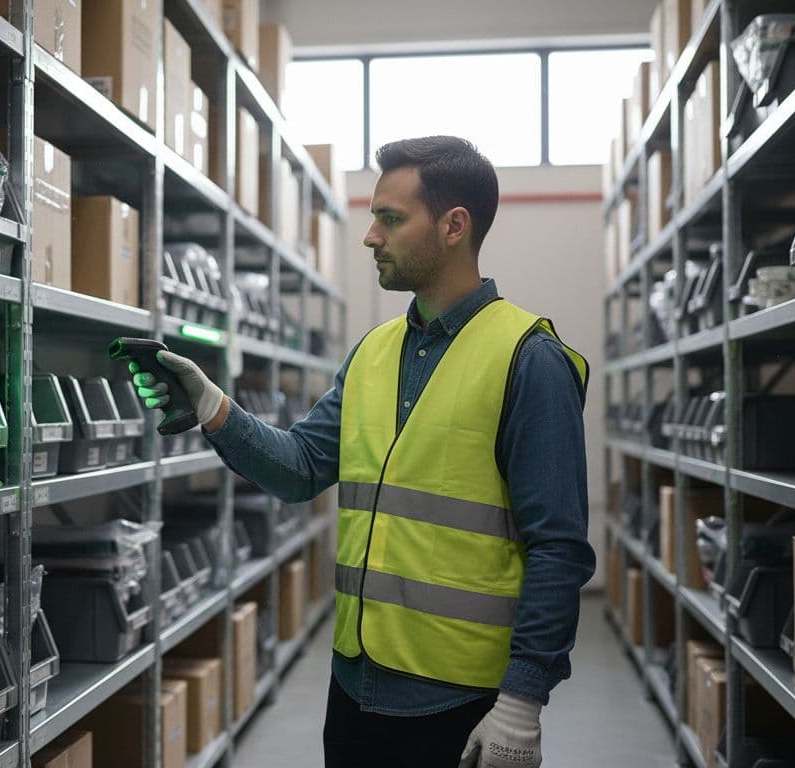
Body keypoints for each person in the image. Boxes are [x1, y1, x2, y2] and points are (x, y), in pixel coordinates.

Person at [129, 136, 594, 768]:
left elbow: (558, 547)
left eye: (391, 219)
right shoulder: (373, 351)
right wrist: (213, 405)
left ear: (454, 226)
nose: (370, 236)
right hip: (354, 686)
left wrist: (523, 700)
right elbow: (300, 469)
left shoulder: (528, 358)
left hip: (460, 703)